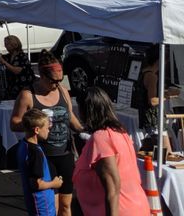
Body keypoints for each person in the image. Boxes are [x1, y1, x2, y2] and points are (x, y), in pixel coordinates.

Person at [10, 51, 83, 216]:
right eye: (53, 81)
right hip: (44, 157)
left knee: (66, 205)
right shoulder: (28, 95)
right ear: (42, 76)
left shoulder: (63, 91)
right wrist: (35, 123)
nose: (57, 84)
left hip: (64, 154)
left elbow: (70, 115)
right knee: (52, 207)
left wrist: (82, 130)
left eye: (60, 80)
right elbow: (14, 123)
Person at [73, 87, 150, 216]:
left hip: (121, 210)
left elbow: (113, 188)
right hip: (134, 207)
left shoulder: (101, 138)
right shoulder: (119, 132)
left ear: (86, 111)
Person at [17, 109, 61, 216]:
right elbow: (35, 183)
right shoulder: (35, 152)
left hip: (35, 203)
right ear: (37, 130)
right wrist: (54, 183)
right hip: (42, 205)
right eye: (46, 128)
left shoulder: (24, 145)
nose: (48, 131)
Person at [138, 44, 179, 156]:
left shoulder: (143, 72)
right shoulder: (152, 77)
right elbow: (152, 101)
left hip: (147, 119)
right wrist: (168, 95)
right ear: (159, 60)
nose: (166, 64)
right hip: (154, 120)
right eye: (165, 61)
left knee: (151, 152)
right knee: (167, 154)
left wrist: (164, 93)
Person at [0, 35, 35, 99]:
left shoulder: (22, 56)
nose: (5, 46)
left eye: (7, 44)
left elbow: (17, 71)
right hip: (12, 88)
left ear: (14, 45)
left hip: (23, 88)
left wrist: (3, 62)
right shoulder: (9, 56)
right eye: (5, 44)